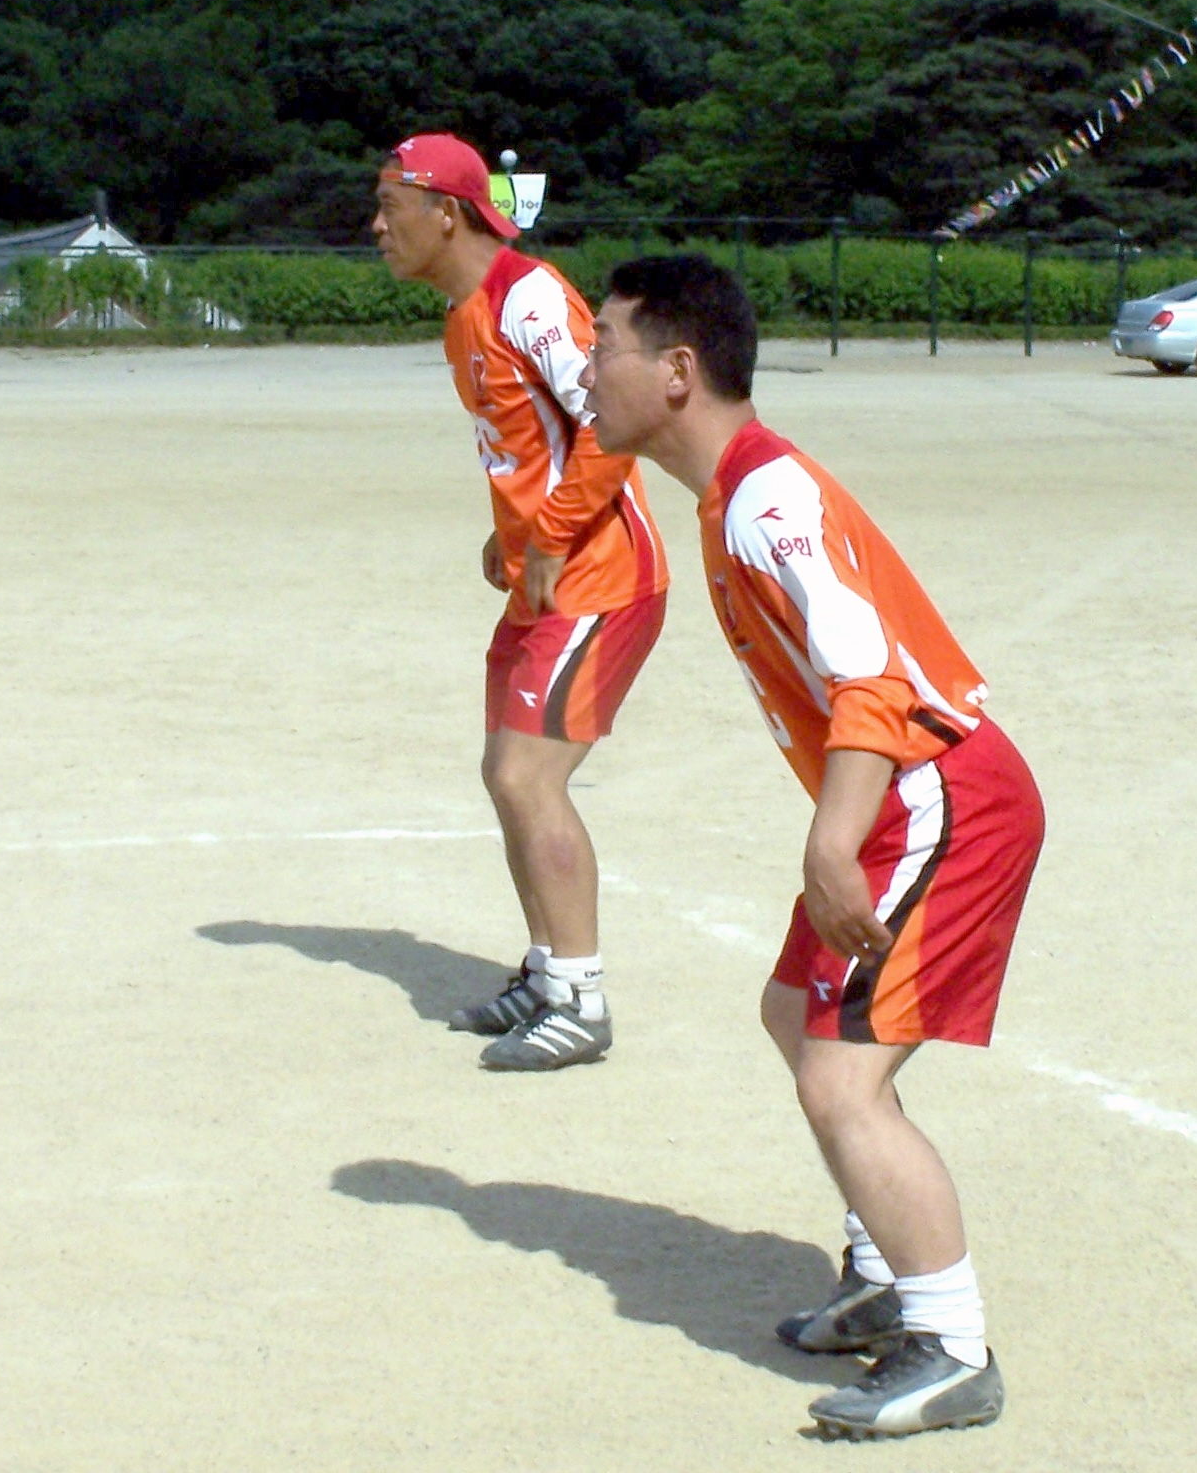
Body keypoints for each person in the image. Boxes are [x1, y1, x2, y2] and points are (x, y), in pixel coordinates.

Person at [579, 255, 1044, 1439]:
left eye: (603, 346)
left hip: (937, 792)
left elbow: (871, 678)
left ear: (677, 372)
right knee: (795, 1015)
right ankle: (886, 1275)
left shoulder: (765, 499)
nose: (585, 372)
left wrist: (830, 843)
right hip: (899, 791)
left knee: (843, 1079)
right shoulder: (728, 494)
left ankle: (948, 1347)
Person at [372, 134, 668, 1070]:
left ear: (445, 213)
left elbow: (613, 422)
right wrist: (508, 539)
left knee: (525, 777)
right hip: (544, 579)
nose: (375, 226)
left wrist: (548, 534)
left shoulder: (527, 296)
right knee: (506, 774)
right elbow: (527, 448)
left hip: (600, 576)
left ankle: (580, 998)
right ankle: (546, 977)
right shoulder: (463, 315)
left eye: (389, 206)